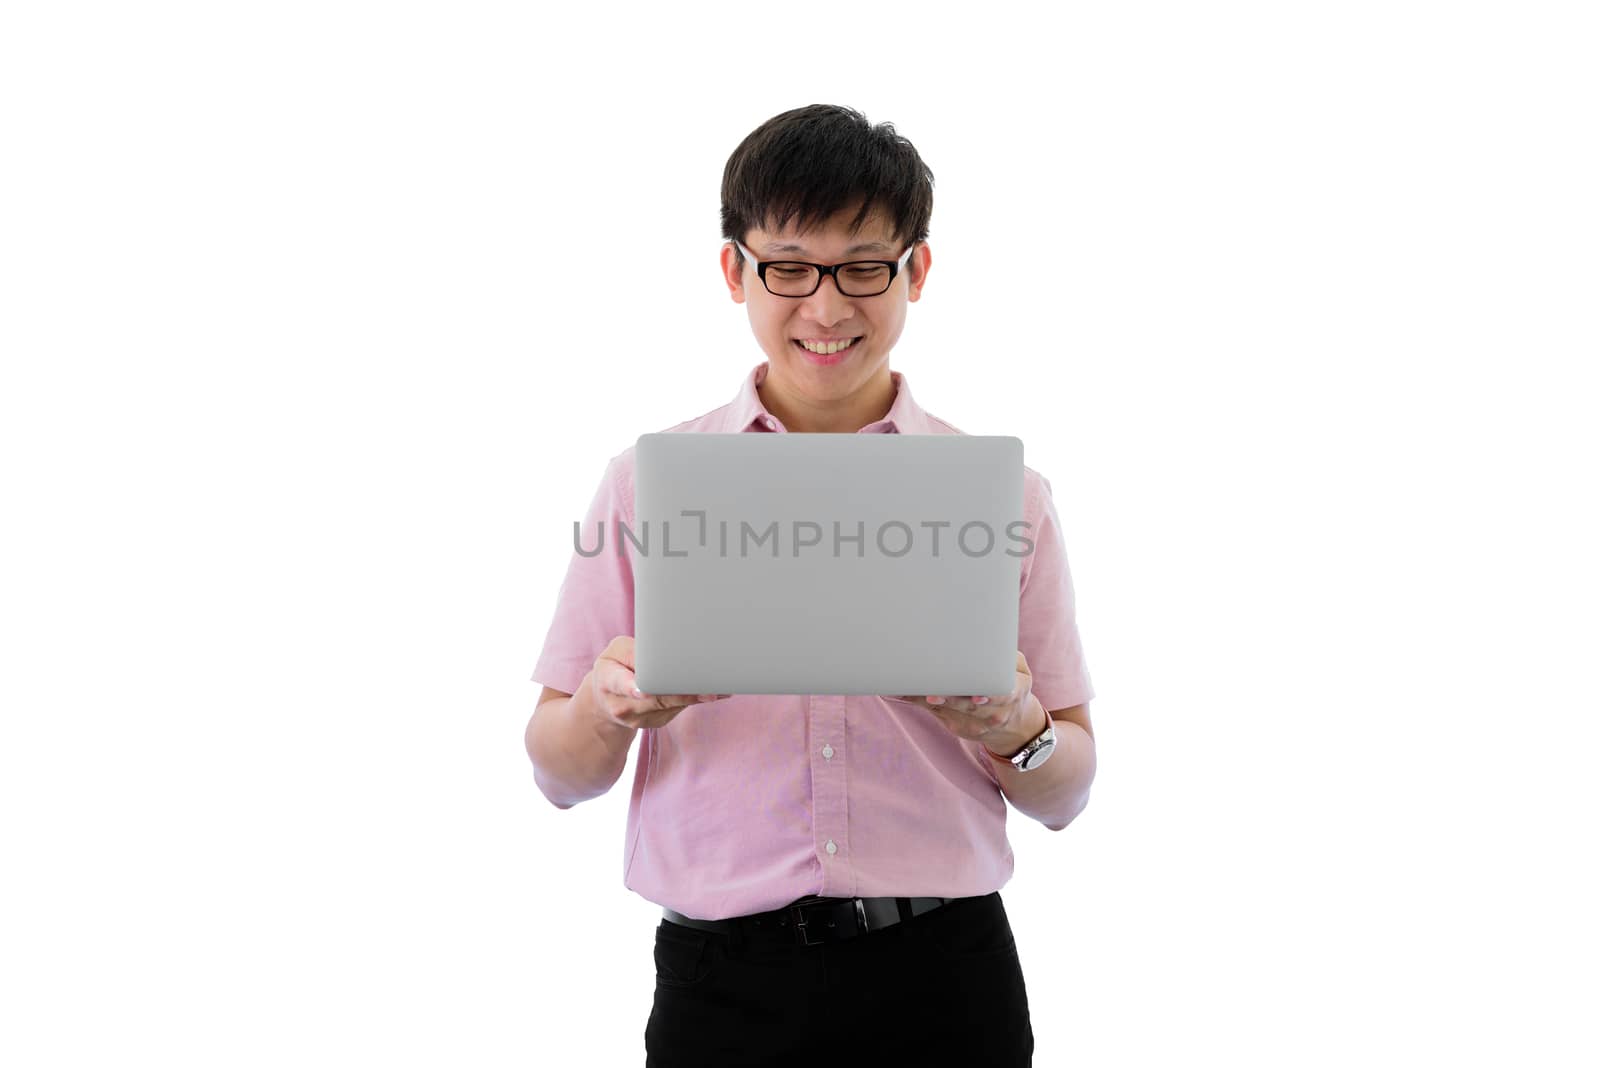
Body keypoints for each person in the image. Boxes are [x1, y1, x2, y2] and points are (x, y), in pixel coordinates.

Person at [524, 104, 1096, 1068]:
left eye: (862, 267)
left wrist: (1015, 728)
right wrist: (607, 704)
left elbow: (1066, 793)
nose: (826, 309)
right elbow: (555, 773)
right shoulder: (644, 482)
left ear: (916, 269)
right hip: (722, 992)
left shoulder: (1009, 497)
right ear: (734, 270)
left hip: (945, 980)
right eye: (788, 267)